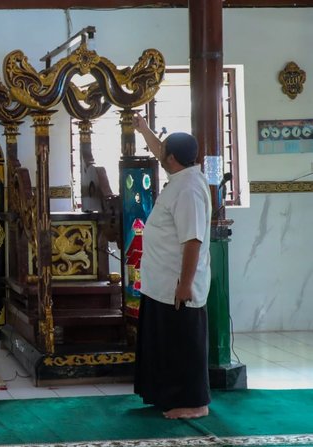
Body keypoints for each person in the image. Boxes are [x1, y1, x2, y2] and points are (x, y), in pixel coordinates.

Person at [132, 112, 212, 420]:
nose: (159, 152)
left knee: (183, 344)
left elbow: (192, 241)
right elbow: (160, 150)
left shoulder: (189, 189)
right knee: (165, 343)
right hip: (162, 283)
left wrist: (185, 283)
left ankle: (194, 403)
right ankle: (165, 394)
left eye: (164, 150)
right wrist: (143, 128)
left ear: (173, 158)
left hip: (178, 285)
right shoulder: (181, 176)